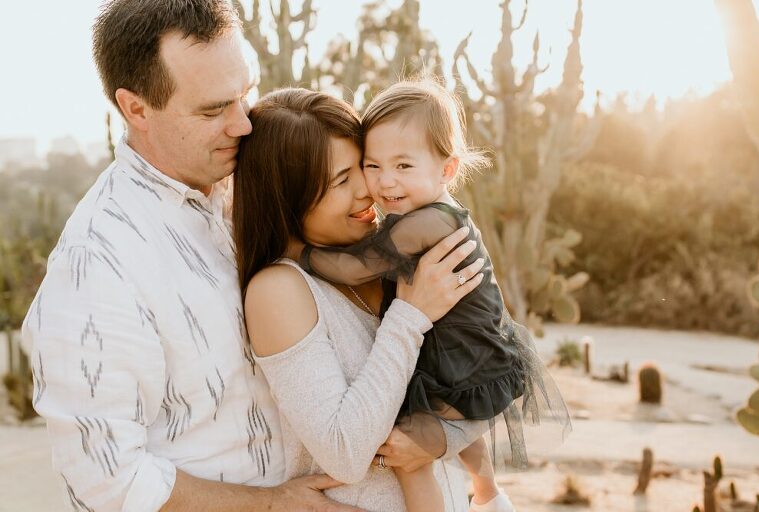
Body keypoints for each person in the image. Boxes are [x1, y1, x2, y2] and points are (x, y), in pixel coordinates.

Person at [20, 1, 467, 510]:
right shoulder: (99, 262)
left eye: (244, 95)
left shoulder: (257, 195)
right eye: (213, 110)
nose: (243, 124)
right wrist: (270, 504)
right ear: (136, 108)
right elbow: (104, 478)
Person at [298, 79, 572, 512]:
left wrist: (300, 252)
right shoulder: (435, 212)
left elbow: (355, 266)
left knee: (408, 453)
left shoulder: (425, 224)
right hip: (470, 356)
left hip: (462, 365)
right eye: (373, 165)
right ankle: (489, 495)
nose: (385, 182)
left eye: (403, 166)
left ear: (446, 170)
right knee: (453, 434)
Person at [234, 87, 490, 511]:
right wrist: (410, 316)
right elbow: (345, 452)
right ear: (288, 198)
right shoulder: (279, 289)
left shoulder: (391, 257)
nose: (369, 191)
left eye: (363, 167)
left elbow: (482, 374)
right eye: (340, 180)